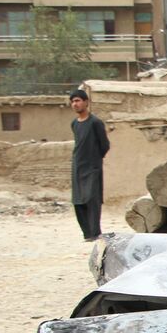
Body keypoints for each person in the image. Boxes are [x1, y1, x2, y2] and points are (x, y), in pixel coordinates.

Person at [69, 89, 109, 241]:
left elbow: (104, 145)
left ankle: (95, 232)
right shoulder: (74, 124)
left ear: (86, 102)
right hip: (78, 167)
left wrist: (95, 160)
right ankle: (87, 234)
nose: (75, 104)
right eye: (73, 101)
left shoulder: (95, 123)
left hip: (92, 168)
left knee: (92, 199)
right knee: (78, 201)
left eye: (78, 100)